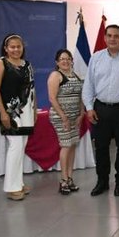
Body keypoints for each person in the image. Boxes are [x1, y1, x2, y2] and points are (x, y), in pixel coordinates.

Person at [82, 24, 119, 197]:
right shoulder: (96, 58)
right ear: (105, 38)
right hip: (100, 108)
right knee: (101, 147)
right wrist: (89, 108)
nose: (112, 38)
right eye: (109, 35)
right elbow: (88, 85)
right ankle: (102, 181)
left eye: (116, 36)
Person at [0, 33, 36, 201]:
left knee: (21, 146)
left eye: (19, 46)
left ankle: (18, 183)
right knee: (15, 146)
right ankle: (11, 187)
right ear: (6, 48)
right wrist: (3, 112)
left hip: (26, 112)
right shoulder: (0, 63)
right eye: (12, 47)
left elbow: (31, 90)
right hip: (10, 112)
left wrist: (34, 111)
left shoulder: (28, 65)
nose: (16, 49)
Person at [47, 49, 84, 195]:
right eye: (62, 59)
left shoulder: (75, 75)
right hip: (61, 117)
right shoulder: (55, 76)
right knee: (66, 145)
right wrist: (64, 117)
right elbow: (52, 98)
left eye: (68, 58)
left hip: (75, 117)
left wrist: (81, 114)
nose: (65, 61)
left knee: (73, 146)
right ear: (57, 62)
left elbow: (80, 96)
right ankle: (63, 180)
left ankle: (70, 178)